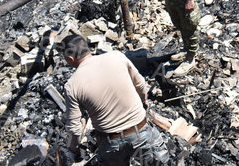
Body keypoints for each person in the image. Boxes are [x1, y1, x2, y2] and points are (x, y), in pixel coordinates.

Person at [61, 34, 168, 165]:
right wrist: (142, 103)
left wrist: (74, 150)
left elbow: (74, 128)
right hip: (141, 132)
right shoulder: (117, 57)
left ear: (70, 59)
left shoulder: (72, 85)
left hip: (111, 143)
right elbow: (140, 85)